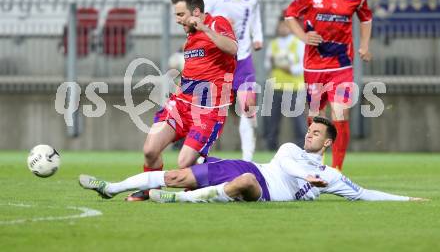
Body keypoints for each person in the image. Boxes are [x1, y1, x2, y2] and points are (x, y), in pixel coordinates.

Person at [79, 117, 424, 203]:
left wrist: (408, 198)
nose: (309, 135)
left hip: (262, 189)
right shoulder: (291, 150)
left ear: (328, 142)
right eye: (310, 130)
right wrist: (310, 181)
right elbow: (288, 169)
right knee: (176, 175)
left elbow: (363, 193)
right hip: (249, 168)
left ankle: (178, 201)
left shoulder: (330, 175)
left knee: (245, 186)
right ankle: (111, 187)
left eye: (317, 134)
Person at [125, 0, 238, 201]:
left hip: (209, 109)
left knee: (184, 163)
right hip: (181, 104)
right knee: (150, 150)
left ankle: (224, 175)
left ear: (196, 12)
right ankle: (149, 190)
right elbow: (198, 68)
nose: (177, 20)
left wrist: (204, 28)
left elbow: (232, 48)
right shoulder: (190, 37)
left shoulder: (216, 23)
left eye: (180, 15)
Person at [284, 0, 373, 170]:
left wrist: (364, 45)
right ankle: (315, 163)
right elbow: (289, 16)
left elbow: (366, 18)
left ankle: (337, 169)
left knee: (341, 113)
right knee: (315, 117)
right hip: (314, 66)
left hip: (341, 65)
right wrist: (303, 37)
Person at [202, 0, 263, 161]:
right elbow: (200, 21)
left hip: (243, 58)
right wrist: (218, 24)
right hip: (219, 61)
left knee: (248, 107)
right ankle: (202, 154)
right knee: (213, 111)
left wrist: (258, 37)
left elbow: (255, 17)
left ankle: (248, 159)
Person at [264, 14, 307, 150]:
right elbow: (267, 64)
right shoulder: (273, 44)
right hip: (276, 88)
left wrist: (289, 68)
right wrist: (274, 64)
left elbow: (302, 65)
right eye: (281, 25)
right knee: (272, 124)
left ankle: (302, 150)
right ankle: (270, 150)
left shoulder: (299, 43)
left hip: (294, 88)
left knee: (299, 124)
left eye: (286, 26)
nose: (283, 28)